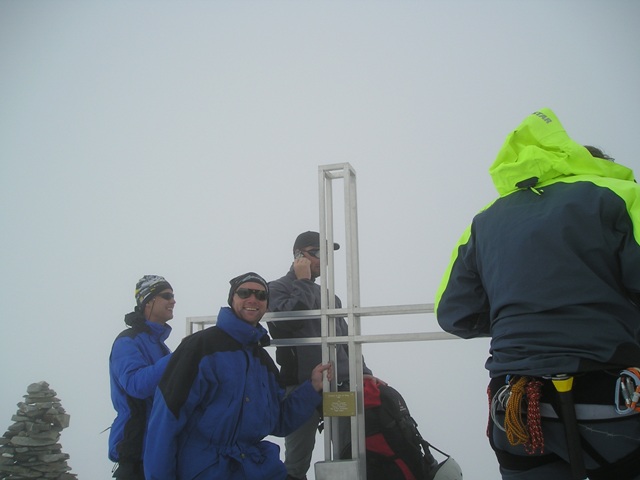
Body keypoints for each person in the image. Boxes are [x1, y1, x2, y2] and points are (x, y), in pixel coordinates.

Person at [435, 108, 640, 480]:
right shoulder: (620, 196)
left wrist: (518, 315)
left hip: (515, 404)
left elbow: (454, 314)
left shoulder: (486, 220)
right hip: (612, 396)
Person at [144, 272, 333, 480]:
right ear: (232, 298)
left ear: (266, 305)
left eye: (261, 295)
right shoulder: (201, 347)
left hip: (253, 466)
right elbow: (166, 419)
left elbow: (278, 421)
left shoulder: (263, 362)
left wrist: (312, 387)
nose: (253, 299)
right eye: (244, 293)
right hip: (205, 469)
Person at [267, 231, 379, 480]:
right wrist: (303, 281)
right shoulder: (275, 288)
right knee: (295, 464)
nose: (323, 260)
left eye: (326, 254)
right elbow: (287, 323)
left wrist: (365, 374)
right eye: (317, 253)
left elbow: (345, 341)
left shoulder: (330, 297)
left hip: (338, 384)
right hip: (301, 387)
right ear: (299, 255)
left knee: (347, 456)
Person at [108, 275, 175, 479]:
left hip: (158, 450)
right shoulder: (127, 341)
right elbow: (136, 385)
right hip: (135, 451)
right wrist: (179, 357)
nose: (173, 301)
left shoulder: (160, 347)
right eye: (167, 296)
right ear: (148, 301)